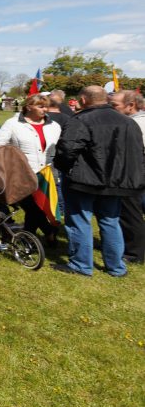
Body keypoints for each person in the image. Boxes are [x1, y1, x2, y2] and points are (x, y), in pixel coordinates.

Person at [53, 86, 144, 277]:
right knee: (110, 220)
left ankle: (81, 264)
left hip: (85, 180)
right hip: (114, 180)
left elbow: (66, 150)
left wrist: (64, 168)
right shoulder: (128, 122)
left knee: (80, 221)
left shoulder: (81, 120)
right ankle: (116, 266)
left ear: (84, 100)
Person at [0, 94, 62, 245]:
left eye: (46, 106)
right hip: (22, 174)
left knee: (42, 207)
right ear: (29, 106)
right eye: (41, 106)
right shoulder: (13, 124)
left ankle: (28, 238)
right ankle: (49, 232)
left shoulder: (54, 126)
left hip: (48, 174)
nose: (45, 109)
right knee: (31, 206)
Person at [109, 90, 145, 264]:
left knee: (131, 214)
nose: (111, 108)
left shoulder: (134, 124)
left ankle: (134, 254)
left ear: (131, 106)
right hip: (133, 174)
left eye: (114, 105)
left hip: (132, 175)